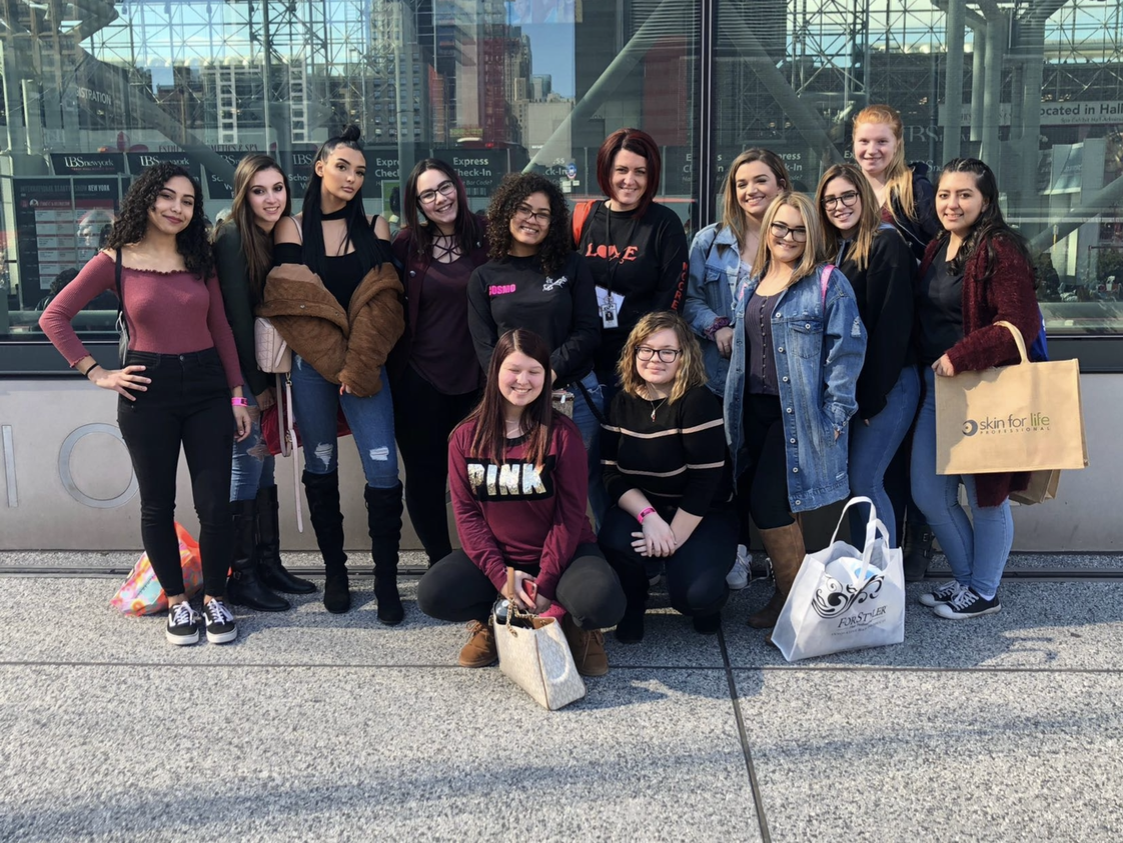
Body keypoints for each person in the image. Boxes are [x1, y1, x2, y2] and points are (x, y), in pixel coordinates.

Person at [40, 163, 251, 646]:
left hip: (206, 387)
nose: (177, 208)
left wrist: (238, 393)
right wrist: (96, 372)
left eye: (188, 201)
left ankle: (215, 597)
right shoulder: (114, 261)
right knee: (157, 503)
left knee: (217, 504)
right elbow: (54, 317)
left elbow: (221, 329)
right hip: (145, 390)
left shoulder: (200, 260)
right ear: (147, 199)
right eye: (168, 197)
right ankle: (179, 604)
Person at [257, 126, 406, 621]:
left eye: (359, 171)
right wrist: (334, 363)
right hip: (312, 369)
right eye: (342, 166)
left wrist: (358, 364)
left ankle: (387, 584)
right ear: (320, 167)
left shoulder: (376, 226)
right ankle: (336, 574)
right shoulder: (292, 230)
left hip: (366, 368)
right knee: (320, 467)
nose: (350, 177)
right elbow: (291, 307)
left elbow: (385, 305)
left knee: (384, 470)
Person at [416, 329, 625, 677]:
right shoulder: (465, 437)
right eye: (514, 370)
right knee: (434, 595)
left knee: (600, 603)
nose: (523, 381)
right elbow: (467, 515)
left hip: (566, 553)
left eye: (534, 371)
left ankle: (578, 625)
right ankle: (493, 620)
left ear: (546, 376)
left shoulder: (561, 434)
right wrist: (501, 577)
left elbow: (570, 514)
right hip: (501, 556)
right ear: (495, 370)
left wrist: (544, 583)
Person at [723, 192, 866, 631]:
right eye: (780, 227)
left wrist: (837, 413)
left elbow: (848, 350)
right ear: (767, 231)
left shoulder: (827, 283)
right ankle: (789, 595)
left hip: (797, 417)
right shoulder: (751, 282)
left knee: (771, 505)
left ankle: (799, 608)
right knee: (764, 504)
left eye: (799, 229)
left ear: (813, 234)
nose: (788, 236)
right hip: (751, 412)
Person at [911, 158, 1039, 620]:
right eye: (945, 194)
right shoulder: (937, 247)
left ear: (986, 200)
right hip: (935, 389)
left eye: (964, 194)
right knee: (928, 493)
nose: (952, 203)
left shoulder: (1000, 249)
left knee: (987, 496)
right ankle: (966, 582)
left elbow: (1018, 326)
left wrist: (960, 357)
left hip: (982, 388)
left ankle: (984, 591)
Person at [213, 154, 317, 612]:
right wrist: (250, 388)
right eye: (259, 190)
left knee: (265, 463)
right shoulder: (233, 235)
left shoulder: (272, 233)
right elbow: (235, 319)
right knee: (246, 463)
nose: (271, 198)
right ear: (243, 194)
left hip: (267, 373)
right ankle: (243, 575)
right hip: (240, 377)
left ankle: (267, 564)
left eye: (277, 188)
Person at [683, 148, 790, 590]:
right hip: (720, 379)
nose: (751, 190)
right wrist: (715, 326)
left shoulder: (795, 237)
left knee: (763, 474)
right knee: (724, 467)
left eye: (761, 180)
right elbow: (689, 300)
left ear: (781, 184)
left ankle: (786, 567)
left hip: (775, 381)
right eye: (742, 183)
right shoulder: (710, 241)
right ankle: (737, 552)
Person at [467, 172, 602, 519]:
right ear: (507, 212)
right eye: (525, 209)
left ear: (553, 221)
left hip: (572, 396)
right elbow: (485, 347)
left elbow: (588, 331)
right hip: (513, 399)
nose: (532, 219)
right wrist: (520, 382)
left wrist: (548, 372)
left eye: (543, 213)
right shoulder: (484, 277)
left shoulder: (571, 266)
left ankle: (592, 567)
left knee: (583, 487)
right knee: (525, 490)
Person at [598, 312, 737, 641]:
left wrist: (669, 539)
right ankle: (633, 603)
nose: (654, 359)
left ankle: (710, 600)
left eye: (666, 351)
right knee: (614, 540)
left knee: (695, 597)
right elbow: (610, 472)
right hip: (646, 508)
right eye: (645, 349)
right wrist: (648, 518)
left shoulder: (697, 401)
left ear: (684, 356)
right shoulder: (621, 402)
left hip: (701, 513)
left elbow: (706, 483)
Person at [852, 102, 940, 573]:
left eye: (881, 141)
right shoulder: (848, 192)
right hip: (867, 336)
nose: (872, 150)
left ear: (898, 143)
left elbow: (944, 249)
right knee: (877, 462)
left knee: (910, 458)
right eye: (864, 141)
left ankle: (914, 546)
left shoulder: (913, 190)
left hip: (914, 336)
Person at [391, 158, 489, 567]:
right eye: (427, 194)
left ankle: (488, 561)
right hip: (420, 380)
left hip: (482, 381)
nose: (439, 199)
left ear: (459, 187)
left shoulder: (488, 235)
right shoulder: (405, 244)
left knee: (484, 477)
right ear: (418, 203)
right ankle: (440, 562)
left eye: (444, 187)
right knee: (426, 476)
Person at [816, 163, 919, 549]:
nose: (839, 205)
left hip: (887, 387)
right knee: (853, 486)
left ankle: (884, 578)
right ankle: (863, 577)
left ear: (862, 195)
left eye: (847, 196)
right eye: (830, 200)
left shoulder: (885, 243)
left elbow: (892, 329)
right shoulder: (829, 250)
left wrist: (871, 400)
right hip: (849, 391)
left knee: (866, 480)